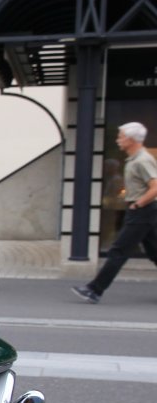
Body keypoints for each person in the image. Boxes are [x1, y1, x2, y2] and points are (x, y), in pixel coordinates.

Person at [73, 121, 157, 304]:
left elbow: (155, 187)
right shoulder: (134, 159)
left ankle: (94, 290)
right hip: (143, 211)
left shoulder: (142, 160)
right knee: (154, 251)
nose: (118, 140)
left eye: (121, 136)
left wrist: (138, 204)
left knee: (118, 250)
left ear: (132, 139)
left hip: (142, 211)